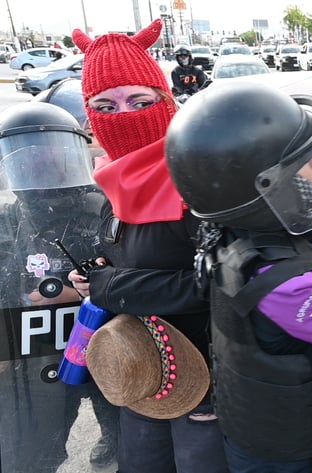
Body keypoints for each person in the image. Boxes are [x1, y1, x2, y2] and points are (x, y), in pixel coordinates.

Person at [164, 81, 312, 473]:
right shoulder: (284, 287)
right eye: (305, 163)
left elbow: (294, 277)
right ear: (264, 187)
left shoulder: (233, 233)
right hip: (290, 451)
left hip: (273, 427)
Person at [68, 20, 228, 473]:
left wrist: (113, 285)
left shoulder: (201, 184)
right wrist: (98, 273)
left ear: (167, 101)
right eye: (106, 106)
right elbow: (133, 259)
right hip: (140, 369)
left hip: (205, 380)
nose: (125, 116)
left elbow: (222, 282)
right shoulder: (113, 184)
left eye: (140, 101)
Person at [0, 102, 113, 472]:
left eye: (51, 156)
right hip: (36, 344)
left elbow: (123, 270)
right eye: (27, 159)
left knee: (109, 400)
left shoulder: (102, 210)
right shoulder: (10, 219)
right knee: (37, 437)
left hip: (99, 330)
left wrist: (68, 292)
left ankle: (113, 437)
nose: (41, 168)